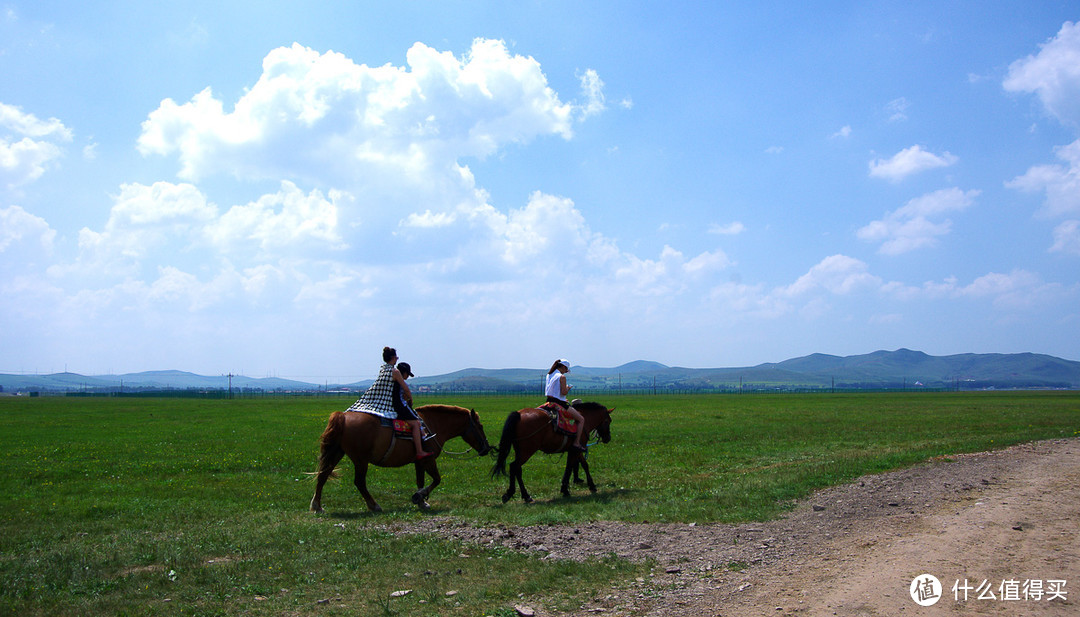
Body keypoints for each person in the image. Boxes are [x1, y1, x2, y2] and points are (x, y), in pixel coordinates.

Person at [347, 347, 432, 460]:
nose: (397, 358)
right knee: (416, 424)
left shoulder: (383, 369)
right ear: (393, 358)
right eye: (396, 357)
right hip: (393, 404)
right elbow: (406, 389)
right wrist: (410, 398)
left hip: (381, 402)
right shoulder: (395, 372)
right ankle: (420, 451)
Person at [545, 359, 586, 451]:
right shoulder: (562, 377)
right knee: (581, 419)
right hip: (559, 403)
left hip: (548, 401)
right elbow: (563, 393)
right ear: (563, 367)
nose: (566, 372)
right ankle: (576, 443)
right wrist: (567, 389)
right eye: (566, 370)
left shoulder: (549, 375)